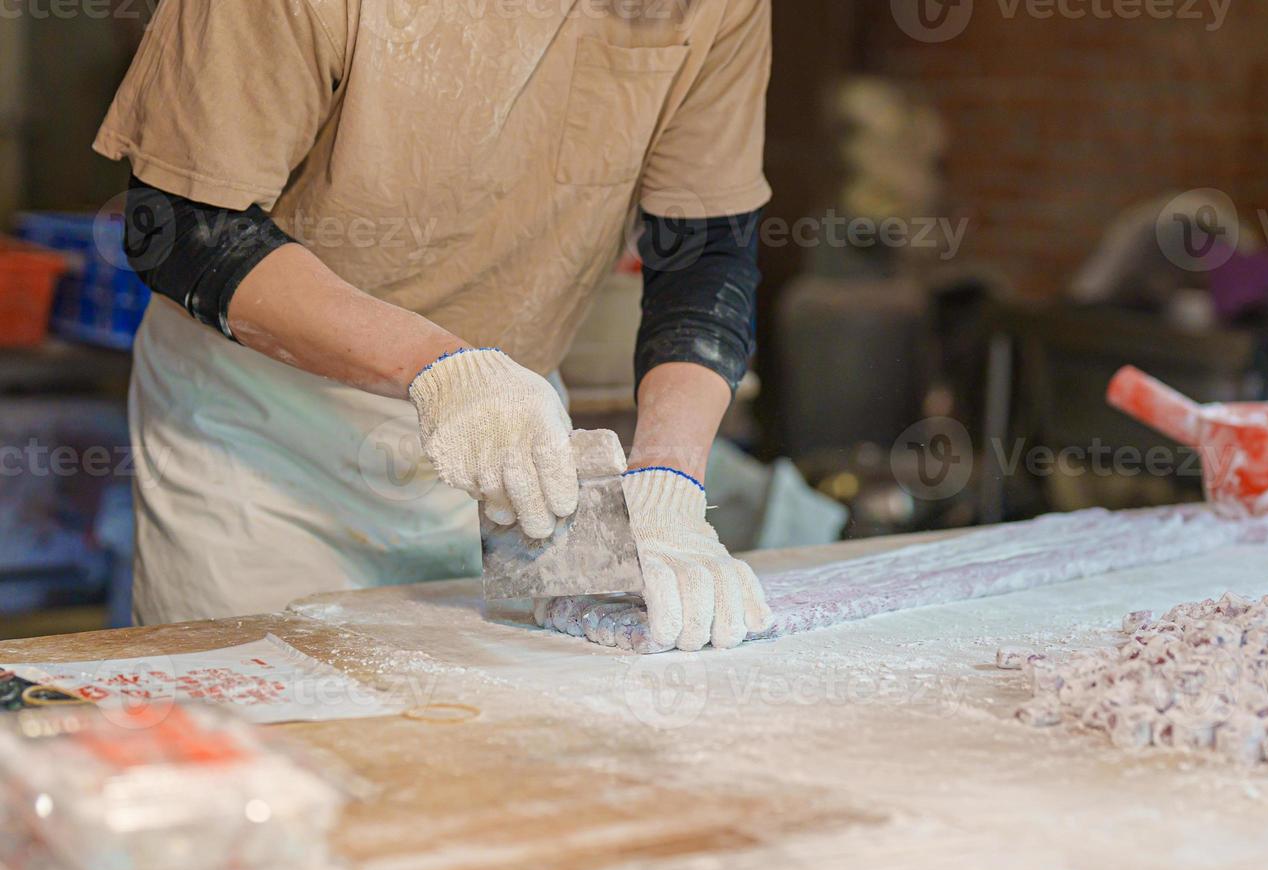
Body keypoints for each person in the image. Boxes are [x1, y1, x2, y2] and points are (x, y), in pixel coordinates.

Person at [92, 0, 774, 651]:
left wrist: (669, 479)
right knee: (273, 758)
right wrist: (445, 370)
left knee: (501, 754)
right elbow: (181, 227)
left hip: (511, 438)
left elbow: (705, 247)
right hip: (261, 441)